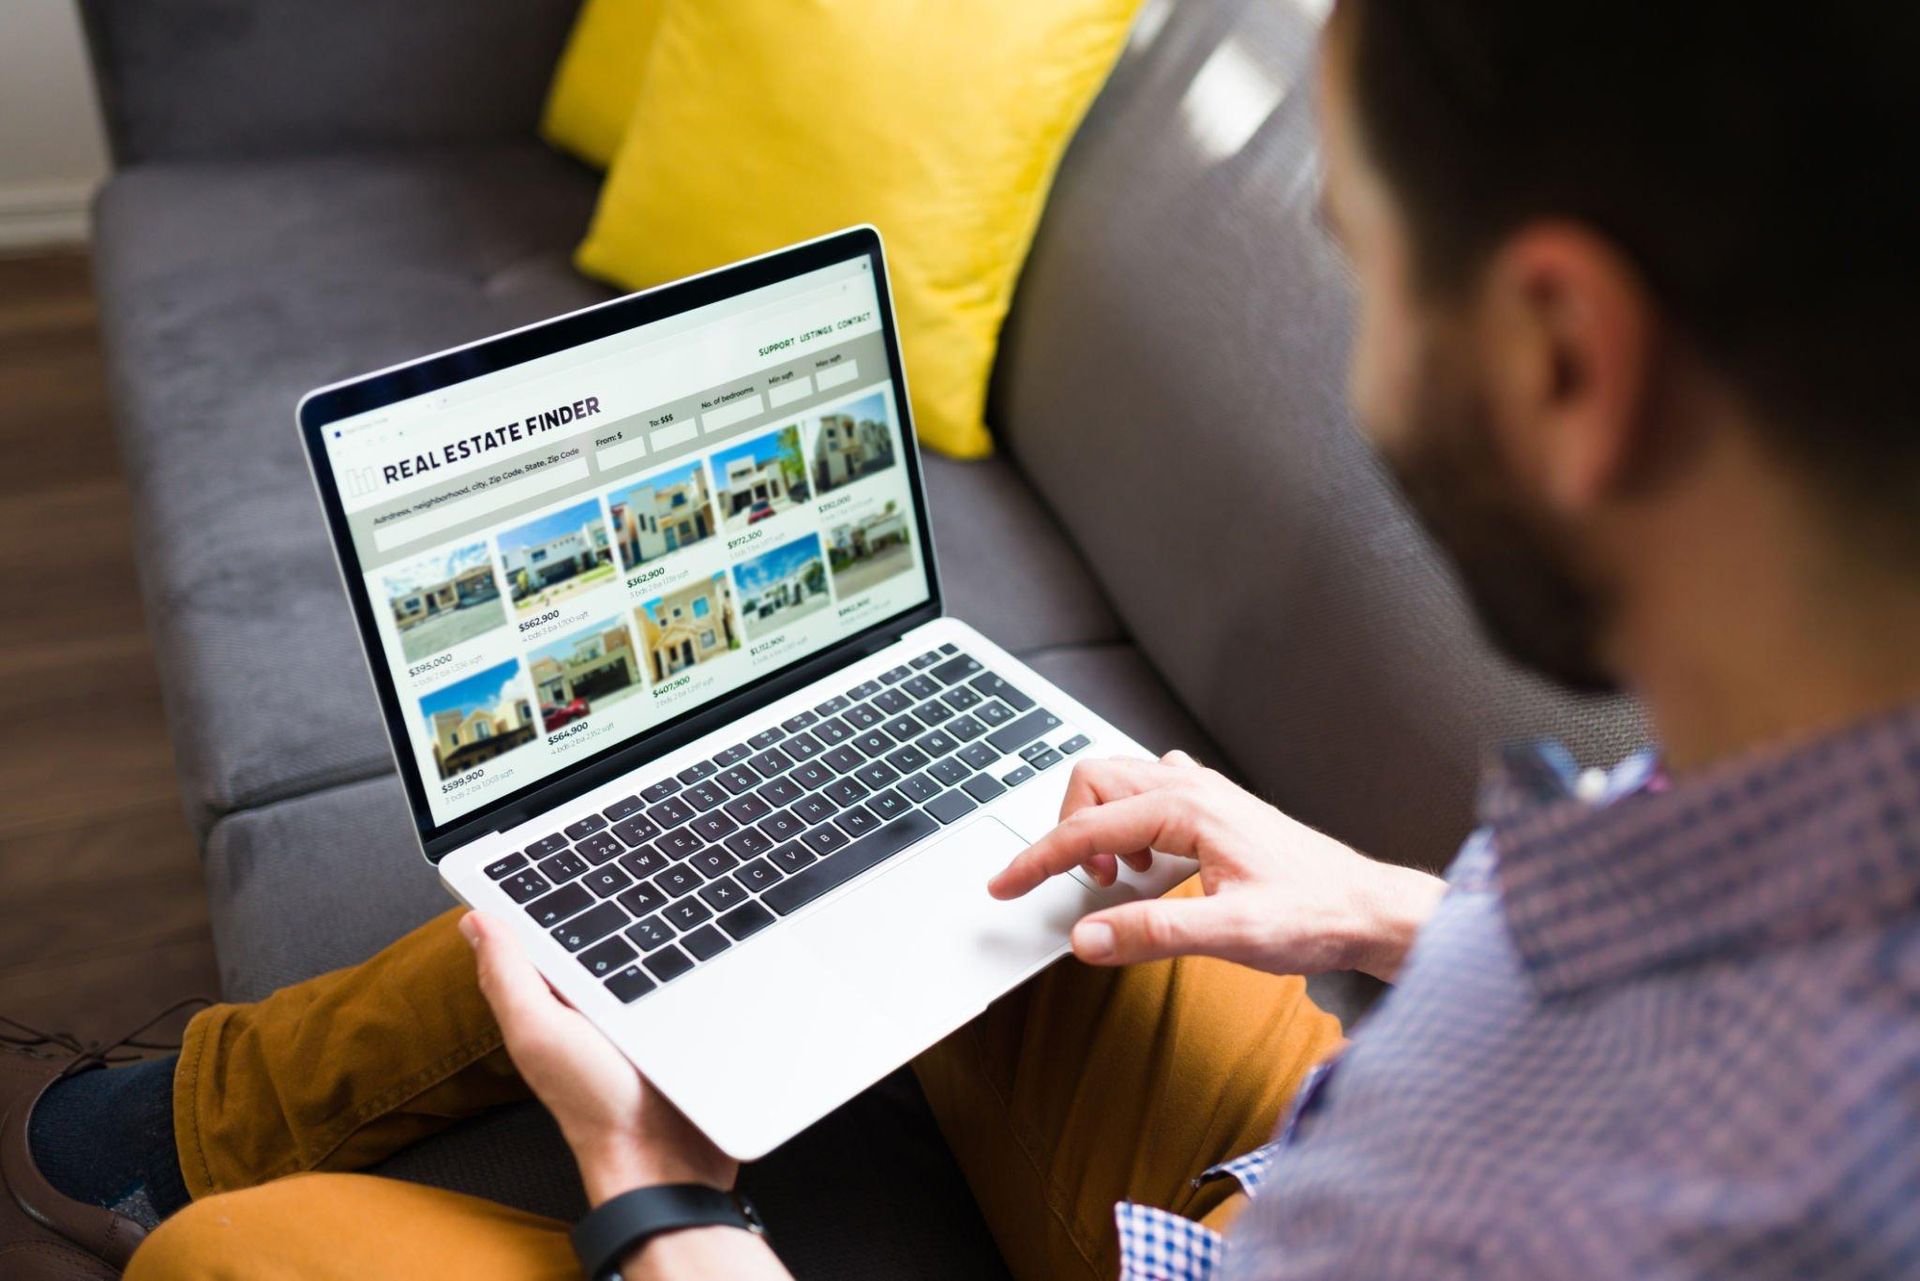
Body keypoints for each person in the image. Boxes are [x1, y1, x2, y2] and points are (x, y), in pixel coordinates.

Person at [9, 0, 1920, 1276]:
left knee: (234, 1265)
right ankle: (215, 1103)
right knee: (761, 826)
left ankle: (197, 1176)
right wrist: (1393, 912)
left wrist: (651, 1186)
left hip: (1312, 1218)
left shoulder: (1641, 1216)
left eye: (1362, 256)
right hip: (1332, 1114)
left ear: (1570, 357)